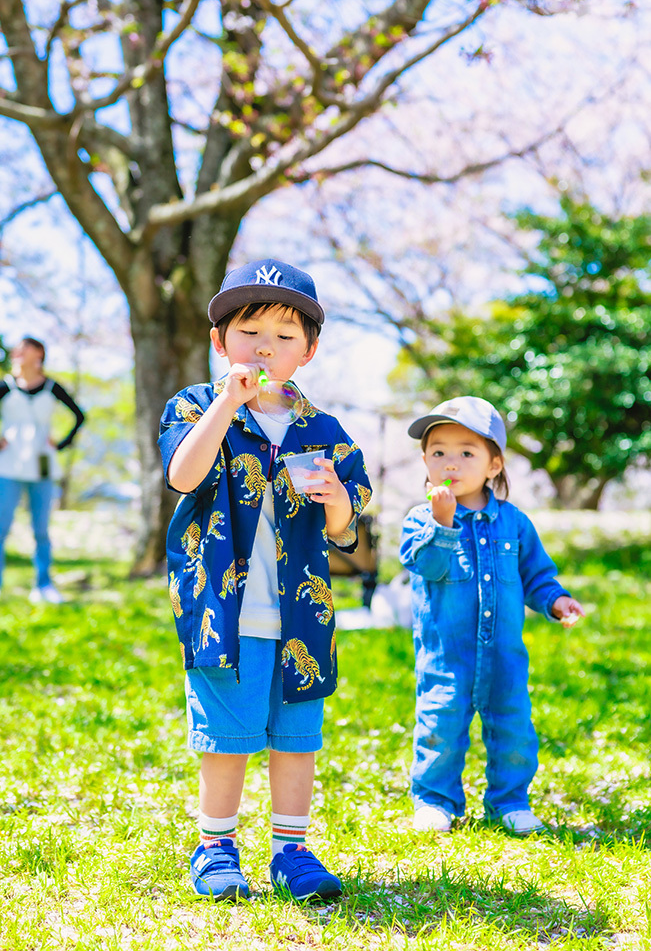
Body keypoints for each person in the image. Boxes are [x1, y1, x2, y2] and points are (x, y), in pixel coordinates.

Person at [157, 259, 372, 901]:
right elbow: (183, 476)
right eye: (249, 331)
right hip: (222, 609)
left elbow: (344, 528)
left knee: (296, 738)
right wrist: (228, 402)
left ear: (307, 350)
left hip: (302, 617)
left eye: (284, 335)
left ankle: (292, 852)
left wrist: (335, 495)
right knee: (226, 737)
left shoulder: (325, 431)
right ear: (221, 342)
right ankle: (216, 846)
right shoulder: (197, 406)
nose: (265, 347)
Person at [399, 396, 584, 835]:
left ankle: (510, 801)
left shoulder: (514, 523)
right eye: (438, 451)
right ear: (424, 461)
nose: (451, 462)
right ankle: (435, 801)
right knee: (440, 727)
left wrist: (556, 600)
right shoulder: (420, 519)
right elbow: (424, 565)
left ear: (494, 466)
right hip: (447, 654)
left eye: (467, 452)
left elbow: (535, 573)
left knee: (513, 727)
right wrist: (442, 525)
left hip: (504, 654)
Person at [0, 337, 86, 605]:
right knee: (0, 527)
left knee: (41, 529)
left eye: (24, 348)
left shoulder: (51, 388)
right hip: (7, 466)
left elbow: (79, 415)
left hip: (42, 466)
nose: (17, 352)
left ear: (38, 354)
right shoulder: (5, 387)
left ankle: (44, 585)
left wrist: (61, 443)